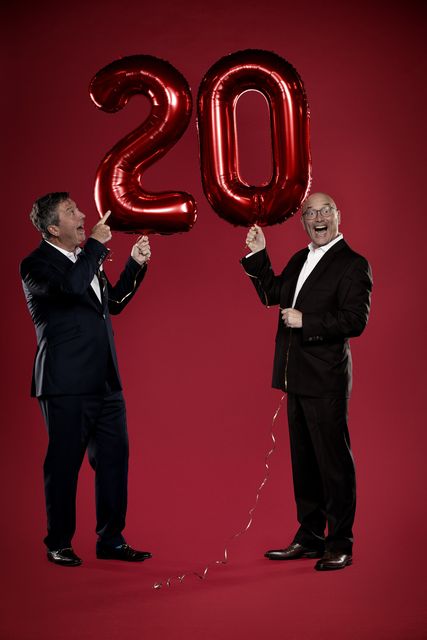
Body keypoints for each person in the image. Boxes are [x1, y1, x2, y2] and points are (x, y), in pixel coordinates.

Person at [20, 192, 152, 567]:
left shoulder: (85, 260)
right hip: (65, 383)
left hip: (106, 381)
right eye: (71, 212)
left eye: (78, 209)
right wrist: (95, 244)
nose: (82, 215)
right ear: (51, 229)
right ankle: (58, 542)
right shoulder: (35, 265)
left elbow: (112, 304)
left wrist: (135, 265)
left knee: (114, 460)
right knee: (63, 464)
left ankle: (111, 539)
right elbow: (70, 289)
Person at [242, 192, 372, 571]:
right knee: (305, 463)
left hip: (326, 380)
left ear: (337, 215)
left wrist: (307, 322)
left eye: (325, 211)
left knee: (334, 465)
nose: (318, 218)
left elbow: (355, 320)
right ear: (303, 222)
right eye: (310, 213)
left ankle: (340, 543)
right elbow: (273, 294)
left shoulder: (353, 264)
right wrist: (258, 254)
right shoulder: (300, 258)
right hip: (295, 376)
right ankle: (311, 536)